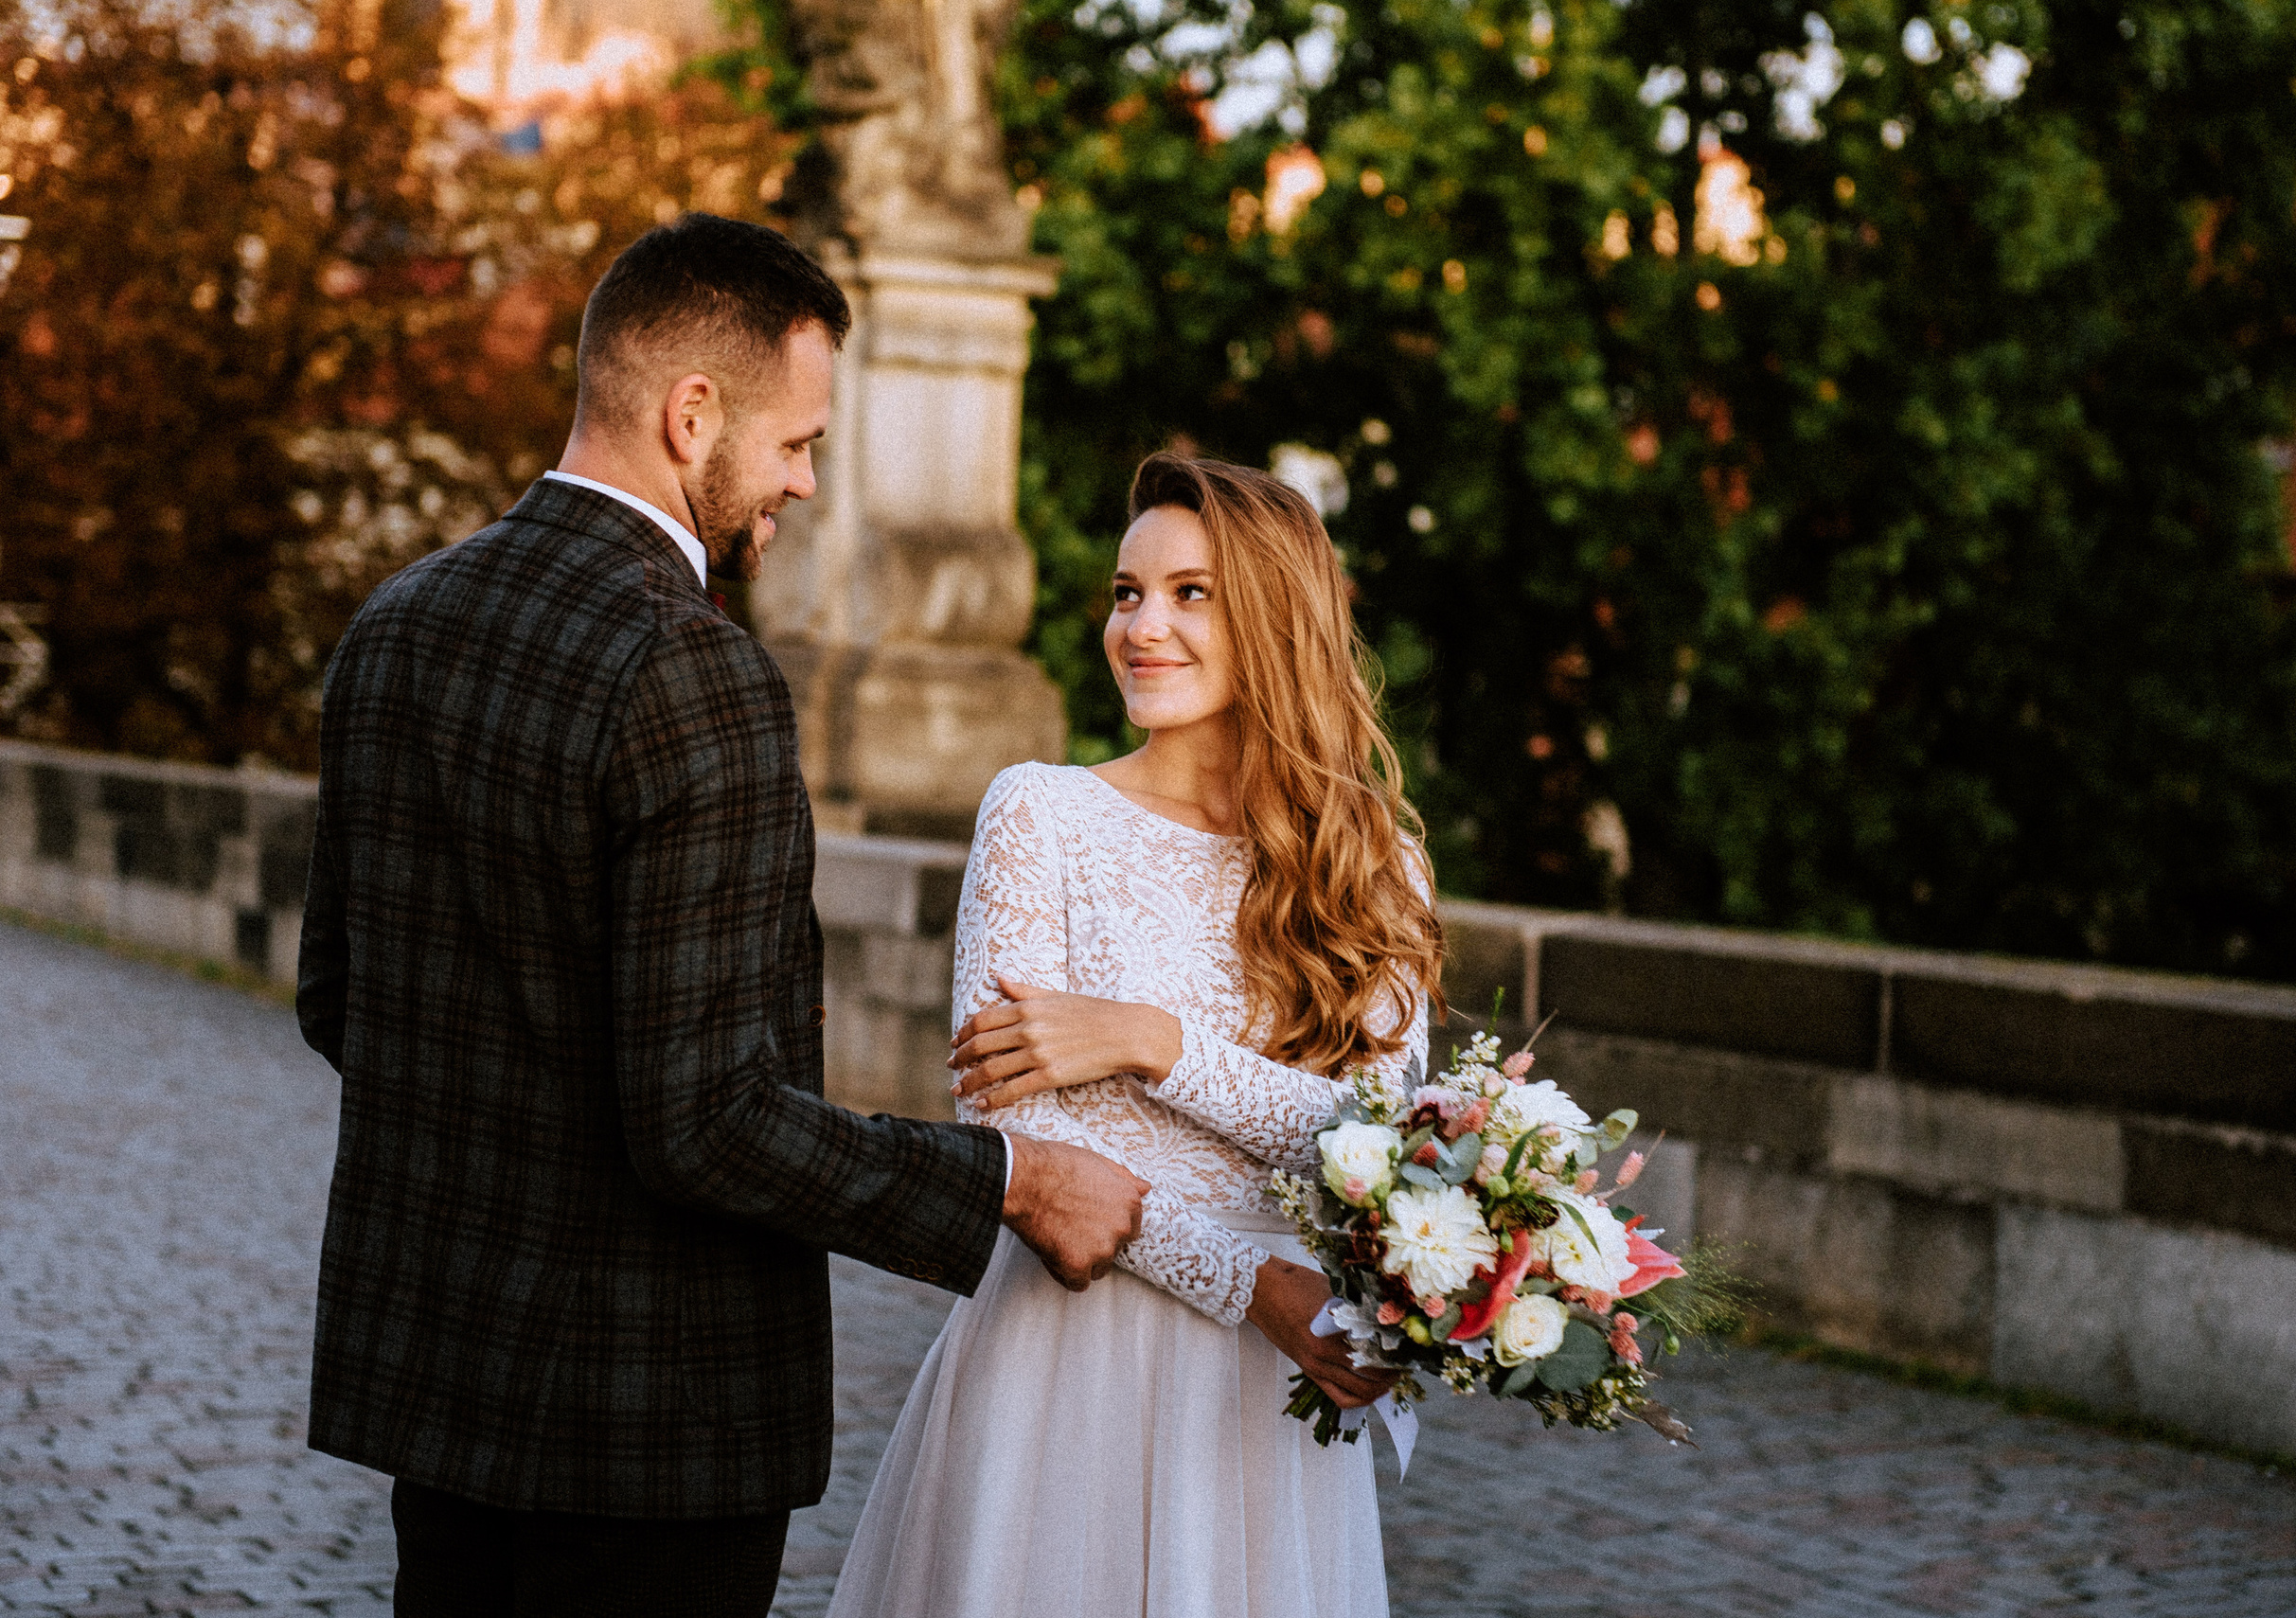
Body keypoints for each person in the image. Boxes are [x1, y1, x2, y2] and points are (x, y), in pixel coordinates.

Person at [294, 212, 1147, 1618]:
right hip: (645, 1430)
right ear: (694, 416)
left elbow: (341, 1000)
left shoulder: (400, 617)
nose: (806, 484)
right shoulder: (692, 669)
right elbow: (705, 1118)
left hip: (442, 1391)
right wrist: (1014, 1181)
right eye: (799, 443)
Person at [826, 453, 1447, 1618]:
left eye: (1189, 592)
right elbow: (1017, 1141)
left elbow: (1375, 1144)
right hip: (1068, 1361)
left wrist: (1149, 1040)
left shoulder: (1374, 865)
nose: (1141, 625)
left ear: (1275, 615)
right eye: (1126, 592)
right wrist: (1248, 1283)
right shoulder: (1040, 813)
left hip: (1273, 1394)